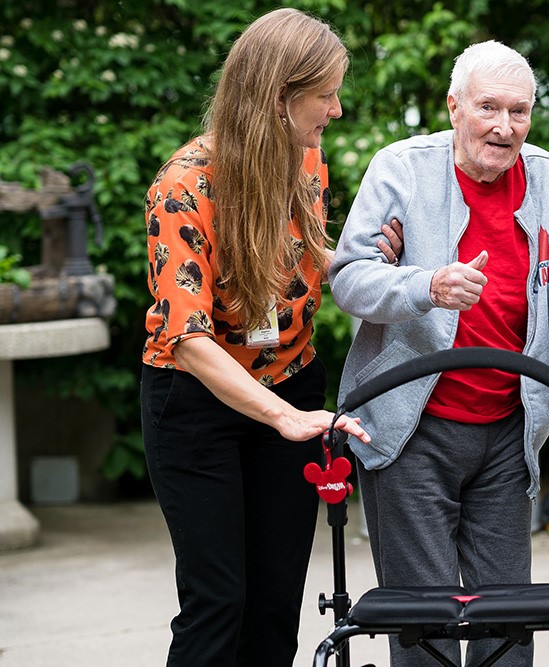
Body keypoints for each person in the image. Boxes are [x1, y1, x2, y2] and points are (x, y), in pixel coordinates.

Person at [329, 40, 549, 666]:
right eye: (489, 108)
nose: (504, 126)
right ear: (454, 107)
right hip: (410, 431)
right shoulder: (401, 170)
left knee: (508, 621)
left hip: (508, 434)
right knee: (424, 625)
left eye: (520, 111)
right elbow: (348, 279)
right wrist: (425, 285)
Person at [139, 9, 398, 666]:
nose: (337, 110)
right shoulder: (184, 186)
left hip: (290, 383)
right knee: (218, 598)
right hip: (197, 404)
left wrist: (381, 267)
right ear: (280, 98)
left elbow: (302, 254)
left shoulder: (304, 156)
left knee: (277, 600)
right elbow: (188, 337)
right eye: (326, 94)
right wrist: (284, 417)